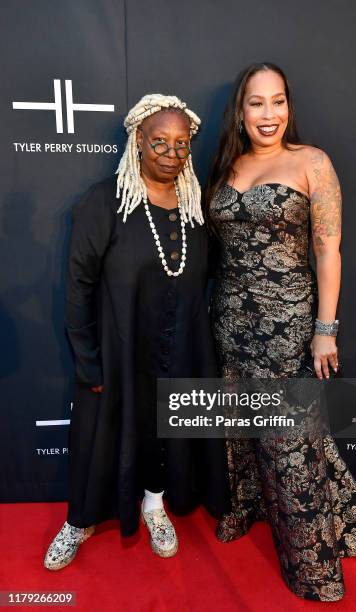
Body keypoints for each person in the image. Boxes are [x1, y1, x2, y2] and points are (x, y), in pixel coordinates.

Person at [205, 63, 356, 602]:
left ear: (289, 105)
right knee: (242, 431)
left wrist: (324, 329)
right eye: (256, 103)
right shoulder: (226, 165)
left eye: (278, 101)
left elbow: (327, 249)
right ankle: (249, 508)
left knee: (291, 445)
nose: (269, 114)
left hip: (286, 325)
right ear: (240, 111)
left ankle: (313, 567)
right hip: (230, 321)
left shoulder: (312, 162)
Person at [44, 94, 230, 570]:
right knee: (101, 436)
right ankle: (79, 521)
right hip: (118, 353)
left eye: (181, 145)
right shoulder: (105, 202)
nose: (170, 153)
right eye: (159, 143)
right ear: (138, 143)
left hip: (181, 348)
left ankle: (154, 506)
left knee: (163, 435)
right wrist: (88, 358)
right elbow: (78, 285)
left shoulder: (196, 206)